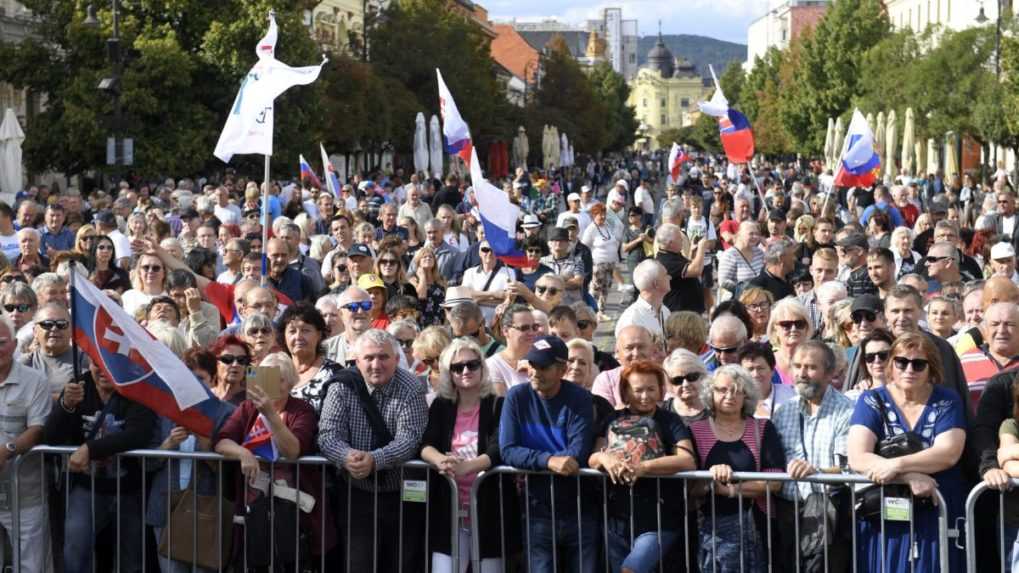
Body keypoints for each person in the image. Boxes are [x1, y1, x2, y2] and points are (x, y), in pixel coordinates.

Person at [848, 332, 966, 572]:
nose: (908, 369)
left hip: (936, 508)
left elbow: (948, 452)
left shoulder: (947, 400)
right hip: (885, 512)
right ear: (891, 364)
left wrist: (896, 465)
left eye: (918, 364)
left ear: (931, 369)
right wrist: (909, 476)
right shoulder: (871, 400)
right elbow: (858, 457)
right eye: (901, 361)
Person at [318, 329, 428, 572]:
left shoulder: (411, 387)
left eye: (383, 357)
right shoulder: (341, 387)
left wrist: (374, 460)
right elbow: (328, 436)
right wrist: (347, 457)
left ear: (397, 359)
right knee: (359, 563)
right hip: (357, 492)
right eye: (368, 358)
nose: (376, 364)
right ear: (357, 361)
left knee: (403, 563)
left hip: (403, 493)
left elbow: (410, 439)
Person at [214, 352, 333, 569]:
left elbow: (293, 450)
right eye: (264, 375)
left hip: (292, 509)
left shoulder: (301, 409)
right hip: (253, 505)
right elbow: (222, 441)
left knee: (289, 561)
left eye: (277, 378)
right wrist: (243, 453)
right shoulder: (247, 408)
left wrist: (270, 415)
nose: (269, 382)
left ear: (288, 383)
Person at [47, 356, 157, 573]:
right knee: (75, 553)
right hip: (86, 488)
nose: (104, 369)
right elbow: (51, 437)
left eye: (111, 363)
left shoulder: (136, 386)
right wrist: (65, 405)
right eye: (98, 363)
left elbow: (139, 434)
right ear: (89, 363)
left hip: (129, 490)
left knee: (131, 559)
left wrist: (90, 449)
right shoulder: (79, 385)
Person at [420, 338, 519, 573]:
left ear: (482, 367)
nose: (465, 371)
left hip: (489, 508)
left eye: (472, 365)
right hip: (449, 509)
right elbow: (426, 444)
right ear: (448, 373)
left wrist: (470, 466)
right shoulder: (441, 405)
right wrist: (439, 460)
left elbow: (500, 447)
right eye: (457, 367)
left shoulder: (499, 404)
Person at [588, 360, 697, 573]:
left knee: (631, 570)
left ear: (660, 391)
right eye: (638, 390)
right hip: (617, 519)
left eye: (651, 389)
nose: (645, 396)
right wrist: (606, 459)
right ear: (625, 392)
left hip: (660, 518)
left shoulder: (670, 421)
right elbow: (593, 457)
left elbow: (687, 459)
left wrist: (643, 467)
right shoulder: (612, 419)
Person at [499, 335, 595, 573]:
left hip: (579, 508)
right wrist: (549, 460)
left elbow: (577, 453)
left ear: (562, 369)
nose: (534, 372)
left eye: (543, 366)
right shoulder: (516, 396)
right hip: (536, 508)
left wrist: (538, 459)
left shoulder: (580, 398)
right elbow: (508, 450)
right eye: (532, 364)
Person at [689, 364, 784, 573]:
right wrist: (708, 481)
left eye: (737, 390)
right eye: (722, 390)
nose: (729, 396)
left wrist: (728, 490)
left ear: (746, 396)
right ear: (710, 393)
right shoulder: (696, 430)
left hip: (757, 528)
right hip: (709, 531)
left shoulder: (763, 428)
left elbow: (775, 482)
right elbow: (690, 487)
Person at [772, 341, 854, 572]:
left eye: (810, 367)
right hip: (787, 511)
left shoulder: (847, 411)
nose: (802, 373)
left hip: (828, 514)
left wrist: (815, 472)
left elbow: (849, 467)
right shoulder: (783, 411)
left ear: (830, 373)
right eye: (797, 366)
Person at [0, 315, 51, 573]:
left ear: (14, 343)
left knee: (31, 566)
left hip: (24, 494)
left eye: (1, 342)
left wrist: (6, 451)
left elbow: (38, 429)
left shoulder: (35, 381)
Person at [277, 302, 345, 415]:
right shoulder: (270, 368)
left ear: (319, 334)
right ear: (284, 336)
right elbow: (255, 415)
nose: (298, 337)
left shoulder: (335, 374)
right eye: (292, 331)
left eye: (305, 330)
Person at [592, 325, 655, 408]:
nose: (636, 353)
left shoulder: (663, 377)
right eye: (629, 348)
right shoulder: (606, 380)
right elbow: (603, 416)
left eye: (641, 347)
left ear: (652, 349)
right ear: (617, 351)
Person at [615, 259, 671, 346]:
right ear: (656, 284)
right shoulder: (632, 319)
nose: (669, 277)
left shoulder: (664, 310)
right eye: (665, 275)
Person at [580, 203, 622, 318]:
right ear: (594, 215)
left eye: (603, 214)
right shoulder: (591, 229)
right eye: (599, 214)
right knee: (595, 290)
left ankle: (601, 312)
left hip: (610, 263)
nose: (602, 216)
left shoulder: (607, 226)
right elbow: (584, 247)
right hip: (598, 264)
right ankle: (591, 312)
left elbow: (615, 241)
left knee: (606, 289)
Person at [462, 240, 516, 326]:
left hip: (497, 323)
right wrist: (494, 294)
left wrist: (477, 299)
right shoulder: (469, 272)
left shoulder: (509, 271)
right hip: (474, 323)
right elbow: (465, 295)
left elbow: (509, 298)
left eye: (493, 250)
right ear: (479, 253)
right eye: (485, 250)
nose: (489, 253)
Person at [487, 304, 538, 394]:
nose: (531, 333)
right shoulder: (493, 365)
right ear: (505, 331)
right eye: (524, 328)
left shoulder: (542, 359)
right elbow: (501, 405)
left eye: (534, 327)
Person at [656, 223, 707, 314]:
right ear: (670, 243)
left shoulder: (672, 254)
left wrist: (693, 251)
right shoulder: (665, 260)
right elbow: (696, 270)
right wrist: (702, 248)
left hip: (688, 311)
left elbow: (687, 267)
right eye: (679, 238)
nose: (682, 240)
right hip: (681, 314)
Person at [739, 341, 795, 420]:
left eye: (760, 368)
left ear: (772, 370)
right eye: (750, 369)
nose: (756, 374)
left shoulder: (791, 395)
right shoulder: (736, 400)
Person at [767, 298, 813, 385]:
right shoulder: (767, 363)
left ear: (807, 327)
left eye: (799, 324)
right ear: (775, 329)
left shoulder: (816, 362)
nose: (793, 329)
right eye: (786, 325)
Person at [845, 329, 894, 402]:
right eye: (870, 357)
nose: (877, 360)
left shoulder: (908, 393)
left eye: (883, 355)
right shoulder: (853, 397)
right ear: (864, 362)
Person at [662, 348, 708, 424]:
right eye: (678, 380)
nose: (685, 384)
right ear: (669, 383)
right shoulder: (663, 412)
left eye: (692, 377)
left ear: (702, 376)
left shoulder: (716, 408)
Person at [746, 238, 796, 302]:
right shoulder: (758, 286)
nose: (795, 258)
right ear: (781, 258)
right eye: (792, 255)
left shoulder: (791, 279)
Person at [409, 245, 447, 328]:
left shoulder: (441, 280)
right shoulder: (413, 281)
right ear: (418, 262)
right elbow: (421, 296)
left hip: (440, 323)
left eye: (430, 257)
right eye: (424, 257)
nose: (428, 258)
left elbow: (446, 302)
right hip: (421, 323)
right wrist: (422, 277)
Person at [122, 251, 168, 316]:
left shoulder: (170, 297)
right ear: (139, 272)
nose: (150, 271)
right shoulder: (128, 296)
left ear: (164, 272)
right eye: (146, 267)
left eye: (156, 268)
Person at [209, 334, 251, 405]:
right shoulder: (206, 396)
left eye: (241, 360)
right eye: (228, 359)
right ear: (215, 363)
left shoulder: (252, 402)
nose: (235, 364)